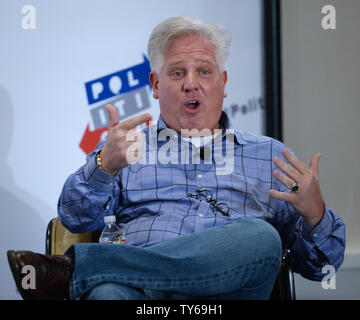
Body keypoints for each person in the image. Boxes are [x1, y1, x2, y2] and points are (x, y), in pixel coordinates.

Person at [8, 16, 345, 300]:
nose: (191, 84)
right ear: (155, 84)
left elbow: (321, 268)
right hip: (141, 299)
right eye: (177, 73)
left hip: (227, 296)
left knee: (260, 238)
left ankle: (74, 271)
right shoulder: (125, 149)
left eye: (204, 71)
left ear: (223, 83)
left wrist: (316, 216)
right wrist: (104, 167)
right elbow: (74, 218)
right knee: (107, 294)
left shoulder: (270, 156)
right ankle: (101, 273)